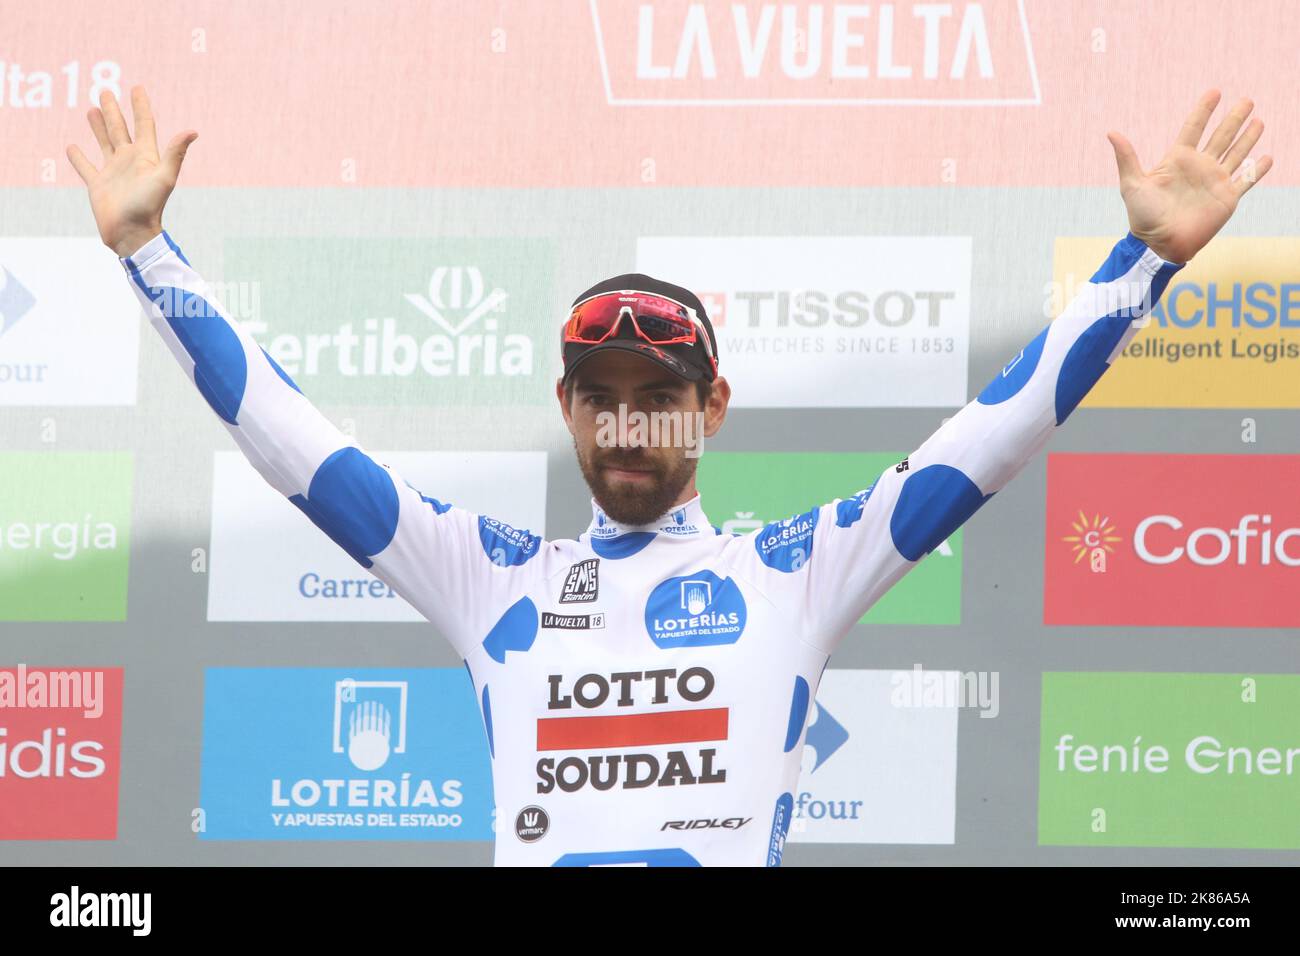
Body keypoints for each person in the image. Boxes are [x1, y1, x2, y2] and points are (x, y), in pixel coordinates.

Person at [68, 86, 1271, 867]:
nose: (627, 428)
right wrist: (143, 250)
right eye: (601, 397)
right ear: (566, 410)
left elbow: (992, 432)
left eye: (659, 400)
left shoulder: (796, 571)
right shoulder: (489, 579)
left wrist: (1141, 264)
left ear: (713, 409)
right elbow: (291, 440)